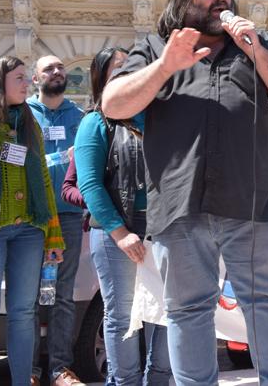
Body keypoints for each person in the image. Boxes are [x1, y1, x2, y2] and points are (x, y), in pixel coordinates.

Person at [101, 0, 268, 386]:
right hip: (180, 205)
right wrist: (165, 66)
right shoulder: (154, 47)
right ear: (183, 1)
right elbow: (113, 104)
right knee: (188, 310)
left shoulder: (259, 43)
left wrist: (255, 50)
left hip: (256, 203)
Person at [75, 46, 171, 386]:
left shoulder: (161, 119)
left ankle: (159, 381)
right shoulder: (96, 122)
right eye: (117, 68)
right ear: (102, 78)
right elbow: (89, 184)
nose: (127, 72)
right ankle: (125, 382)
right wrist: (120, 233)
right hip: (117, 234)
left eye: (132, 66)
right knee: (122, 315)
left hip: (162, 230)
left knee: (165, 312)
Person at [0, 56, 64, 386]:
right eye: (20, 78)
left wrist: (53, 235)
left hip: (29, 230)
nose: (27, 83)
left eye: (26, 77)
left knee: (24, 314)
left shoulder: (28, 124)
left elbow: (43, 181)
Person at [27, 54, 86, 386]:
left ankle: (60, 369)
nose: (57, 71)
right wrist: (60, 157)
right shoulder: (22, 113)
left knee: (63, 295)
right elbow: (14, 158)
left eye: (60, 67)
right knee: (29, 296)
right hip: (30, 218)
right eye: (48, 69)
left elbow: (88, 163)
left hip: (68, 217)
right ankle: (29, 370)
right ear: (36, 79)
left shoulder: (79, 117)